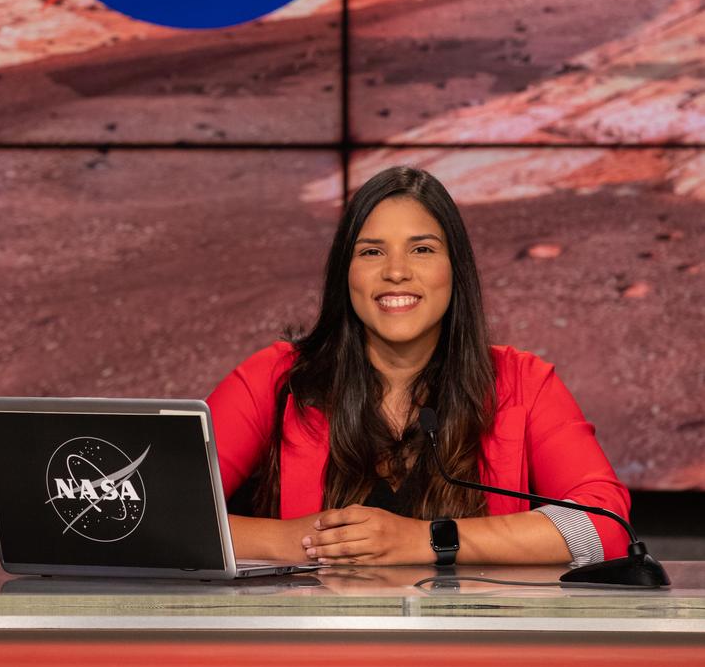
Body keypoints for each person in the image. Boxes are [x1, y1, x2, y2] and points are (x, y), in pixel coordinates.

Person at [207, 166, 631, 568]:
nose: (396, 272)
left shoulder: (523, 382)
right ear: (345, 273)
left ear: (455, 269)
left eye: (422, 249)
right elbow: (167, 514)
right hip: (314, 624)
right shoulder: (277, 377)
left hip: (474, 624)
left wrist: (425, 540)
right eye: (372, 252)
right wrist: (298, 541)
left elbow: (606, 526)